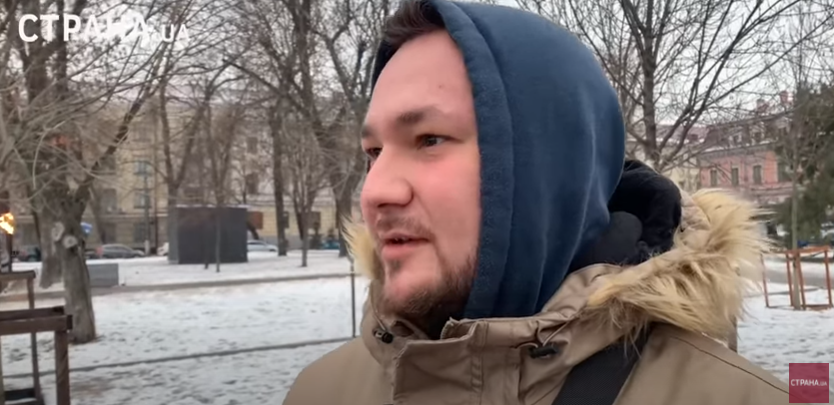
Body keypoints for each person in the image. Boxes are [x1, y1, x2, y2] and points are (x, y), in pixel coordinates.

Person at [284, 0, 797, 404]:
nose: (375, 191)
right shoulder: (320, 392)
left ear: (548, 168)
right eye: (374, 153)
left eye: (429, 139)